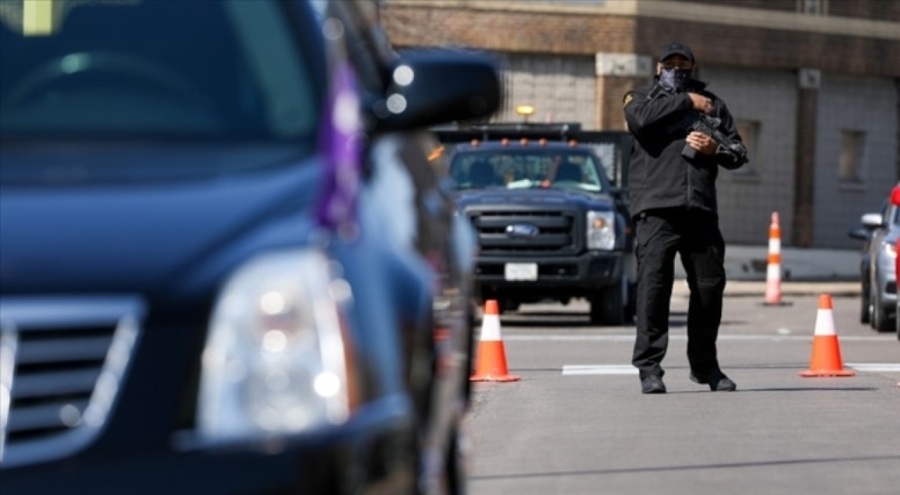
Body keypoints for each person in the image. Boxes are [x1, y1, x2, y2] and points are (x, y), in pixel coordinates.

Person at [622, 41, 748, 394]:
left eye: (683, 63)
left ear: (692, 66)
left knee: (709, 290)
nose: (677, 68)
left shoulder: (714, 105)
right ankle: (649, 369)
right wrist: (687, 101)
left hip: (701, 210)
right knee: (653, 290)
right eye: (670, 63)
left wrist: (715, 148)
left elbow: (739, 153)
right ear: (658, 67)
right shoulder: (640, 98)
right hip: (657, 209)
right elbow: (639, 121)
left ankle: (705, 367)